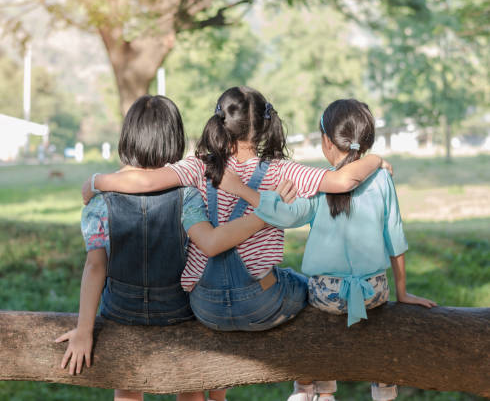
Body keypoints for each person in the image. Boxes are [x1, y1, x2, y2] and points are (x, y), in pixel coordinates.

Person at [82, 87, 391, 334]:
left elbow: (145, 181)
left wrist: (97, 181)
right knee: (302, 284)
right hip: (262, 303)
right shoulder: (283, 170)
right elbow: (343, 180)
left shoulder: (197, 166)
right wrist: (375, 159)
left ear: (221, 123)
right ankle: (312, 386)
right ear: (266, 126)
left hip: (205, 306)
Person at [220, 98, 437, 401]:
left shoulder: (322, 182)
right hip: (373, 290)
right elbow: (395, 238)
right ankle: (385, 391)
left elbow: (288, 216)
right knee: (378, 329)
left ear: (326, 141)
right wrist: (402, 292)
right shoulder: (382, 179)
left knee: (304, 301)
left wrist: (245, 191)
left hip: (327, 291)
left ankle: (313, 389)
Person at [58, 95, 258, 401]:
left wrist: (84, 330)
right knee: (190, 388)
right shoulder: (188, 196)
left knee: (126, 388)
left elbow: (95, 267)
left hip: (121, 311)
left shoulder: (100, 201)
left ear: (127, 138)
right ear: (174, 140)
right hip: (177, 309)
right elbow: (206, 247)